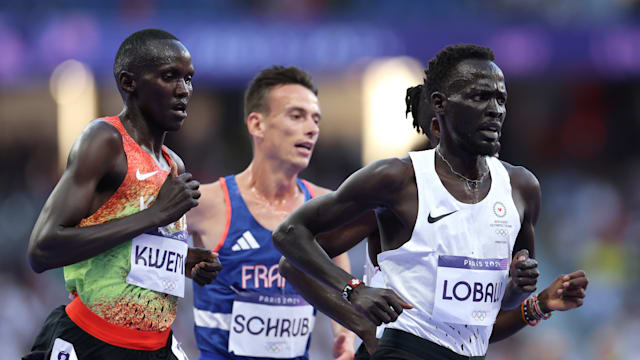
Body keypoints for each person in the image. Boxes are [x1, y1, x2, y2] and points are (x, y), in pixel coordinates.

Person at [273, 44, 588, 360]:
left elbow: (487, 317)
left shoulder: (521, 188)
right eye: (480, 97)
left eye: (501, 99)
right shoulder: (398, 182)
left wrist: (534, 299)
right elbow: (292, 251)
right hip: (401, 349)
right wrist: (355, 297)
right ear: (439, 111)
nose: (495, 109)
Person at [24, 29, 221, 360]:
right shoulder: (105, 141)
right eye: (169, 77)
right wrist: (154, 215)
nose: (184, 90)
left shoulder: (174, 164)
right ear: (130, 83)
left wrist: (184, 263)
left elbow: (132, 253)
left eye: (189, 78)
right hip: (93, 342)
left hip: (157, 346)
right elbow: (42, 249)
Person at [186, 66, 355, 360]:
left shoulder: (325, 206)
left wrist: (345, 339)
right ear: (257, 125)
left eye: (316, 119)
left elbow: (343, 289)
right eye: (296, 115)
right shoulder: (209, 202)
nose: (312, 128)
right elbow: (137, 254)